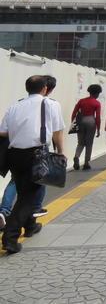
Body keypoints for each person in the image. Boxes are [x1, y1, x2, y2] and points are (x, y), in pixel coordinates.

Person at [0, 75, 65, 253]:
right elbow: (57, 132)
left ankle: (30, 225)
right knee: (30, 196)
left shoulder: (15, 105)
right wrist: (60, 152)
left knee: (23, 192)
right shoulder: (51, 104)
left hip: (14, 155)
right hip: (36, 154)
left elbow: (3, 132)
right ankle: (10, 237)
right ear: (44, 88)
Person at [71, 84, 102, 171]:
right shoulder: (97, 103)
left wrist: (74, 123)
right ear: (97, 93)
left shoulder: (81, 101)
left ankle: (76, 156)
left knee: (80, 142)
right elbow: (98, 117)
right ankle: (86, 163)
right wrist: (98, 129)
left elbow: (74, 113)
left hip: (81, 121)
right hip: (91, 121)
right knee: (89, 143)